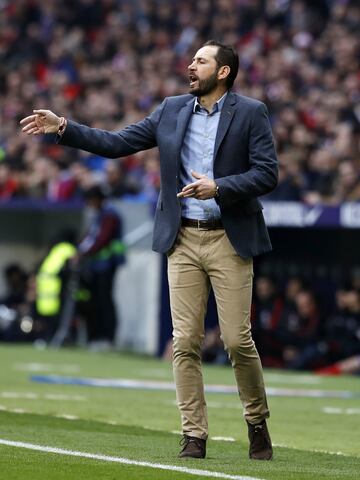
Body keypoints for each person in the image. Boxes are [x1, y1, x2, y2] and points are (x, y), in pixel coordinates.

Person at [20, 40, 278, 460]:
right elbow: (118, 142)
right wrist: (64, 126)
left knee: (236, 340)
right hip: (184, 239)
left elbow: (267, 173)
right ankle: (194, 434)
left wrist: (220, 187)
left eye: (200, 61)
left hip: (229, 237)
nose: (190, 66)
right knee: (184, 342)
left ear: (224, 72)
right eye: (192, 59)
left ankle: (256, 420)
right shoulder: (172, 108)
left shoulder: (251, 112)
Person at [76, 185, 125, 348]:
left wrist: (82, 254)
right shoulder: (99, 215)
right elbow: (90, 237)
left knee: (105, 301)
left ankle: (108, 338)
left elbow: (102, 239)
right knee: (96, 301)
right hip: (96, 265)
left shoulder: (109, 215)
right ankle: (97, 337)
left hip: (107, 264)